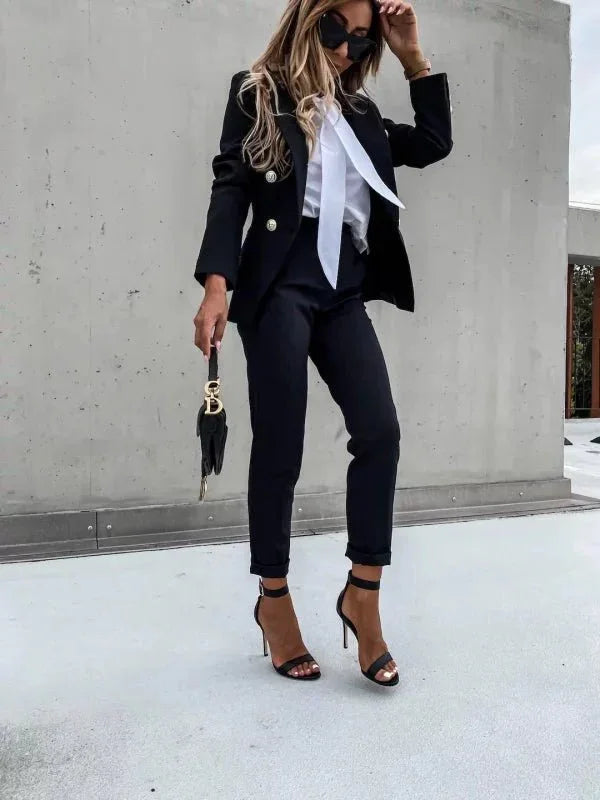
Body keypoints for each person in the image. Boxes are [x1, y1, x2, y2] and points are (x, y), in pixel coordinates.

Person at [193, 0, 453, 686]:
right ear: (308, 18)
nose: (346, 48)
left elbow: (433, 143)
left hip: (342, 288)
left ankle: (362, 595)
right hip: (279, 282)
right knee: (281, 442)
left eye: (361, 40)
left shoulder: (362, 114)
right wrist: (217, 285)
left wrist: (411, 56)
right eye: (337, 28)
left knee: (380, 431)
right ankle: (273, 599)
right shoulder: (258, 93)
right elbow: (230, 187)